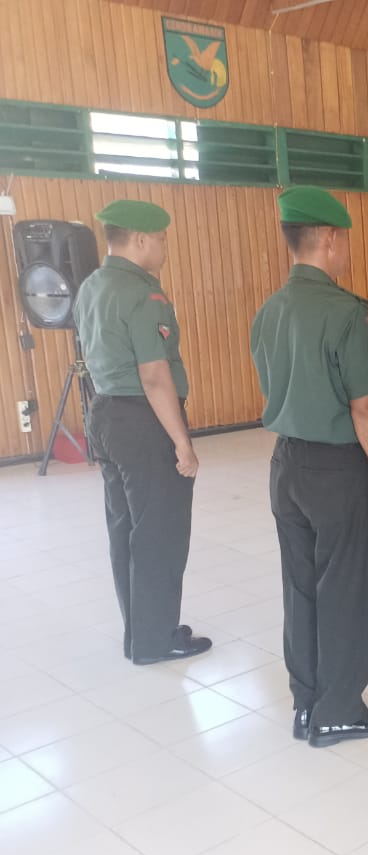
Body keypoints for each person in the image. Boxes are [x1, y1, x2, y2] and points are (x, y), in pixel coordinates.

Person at [250, 186, 368, 748]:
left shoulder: (270, 309)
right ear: (332, 239)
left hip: (286, 464)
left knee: (302, 588)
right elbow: (366, 406)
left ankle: (307, 702)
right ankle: (338, 711)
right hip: (338, 470)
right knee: (347, 588)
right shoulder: (343, 312)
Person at [76, 199, 211, 666]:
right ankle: (155, 642)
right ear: (139, 239)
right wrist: (182, 443)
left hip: (105, 414)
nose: (165, 248)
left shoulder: (92, 285)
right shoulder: (142, 293)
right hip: (143, 419)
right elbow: (154, 375)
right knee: (160, 534)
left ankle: (139, 632)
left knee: (125, 529)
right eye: (161, 240)